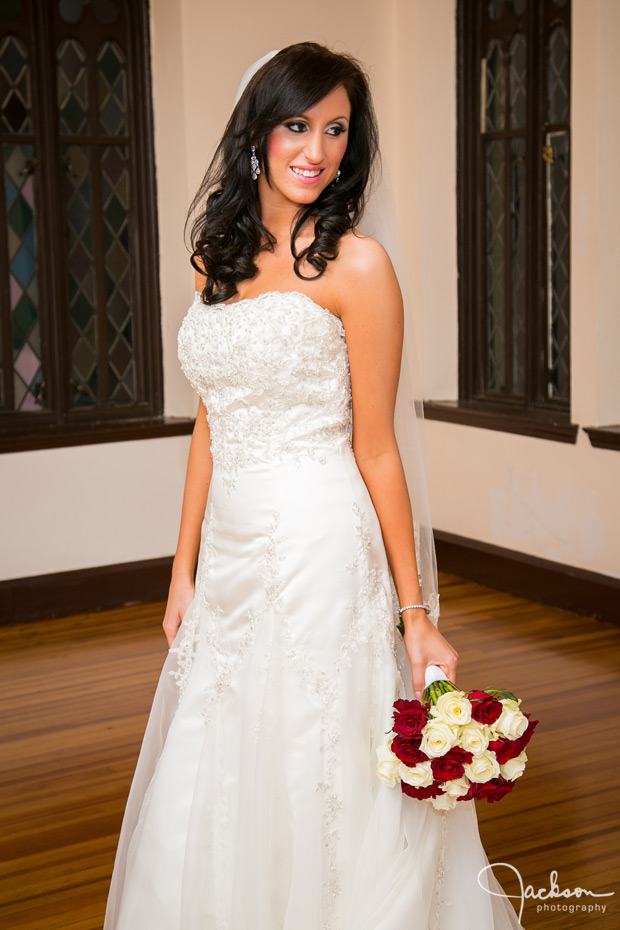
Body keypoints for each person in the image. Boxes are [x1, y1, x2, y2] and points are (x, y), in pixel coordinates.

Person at [103, 42, 524, 930]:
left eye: (336, 130)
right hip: (230, 549)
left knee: (315, 751)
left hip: (322, 540)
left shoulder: (359, 267)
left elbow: (377, 451)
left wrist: (416, 614)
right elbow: (212, 423)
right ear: (258, 133)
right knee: (220, 750)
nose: (317, 149)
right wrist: (181, 568)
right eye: (298, 124)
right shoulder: (213, 263)